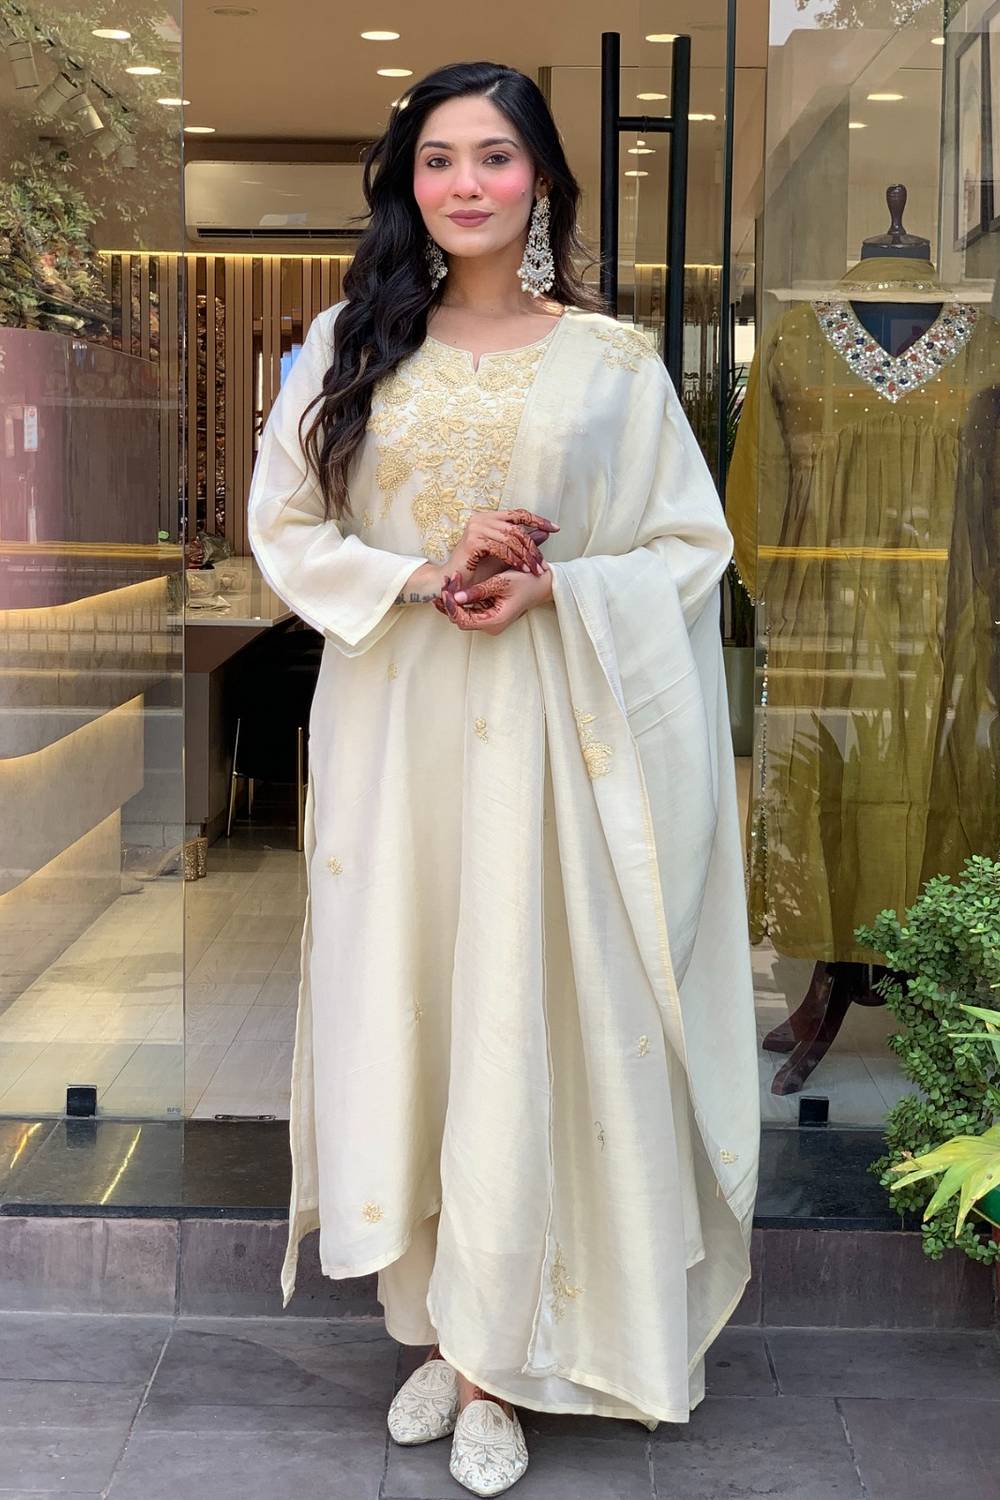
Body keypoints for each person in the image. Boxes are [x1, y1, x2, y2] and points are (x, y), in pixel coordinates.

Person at [248, 59, 759, 1499]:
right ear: (405, 183)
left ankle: (502, 1354)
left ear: (541, 180)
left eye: (493, 156)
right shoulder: (350, 342)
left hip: (554, 740)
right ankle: (441, 1330)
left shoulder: (613, 363)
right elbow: (283, 528)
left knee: (526, 1013)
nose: (464, 183)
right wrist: (425, 570)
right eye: (437, 159)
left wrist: (555, 591)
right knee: (414, 1006)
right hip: (396, 735)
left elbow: (689, 547)